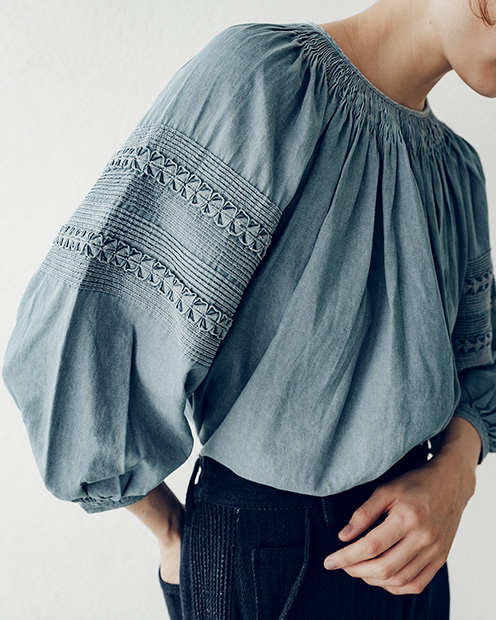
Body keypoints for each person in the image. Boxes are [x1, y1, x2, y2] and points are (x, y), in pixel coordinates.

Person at [2, 0, 496, 618]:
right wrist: (172, 531)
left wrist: (456, 474)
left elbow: (479, 370)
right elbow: (80, 344)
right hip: (272, 563)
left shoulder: (458, 170)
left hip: (416, 563)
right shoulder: (263, 79)